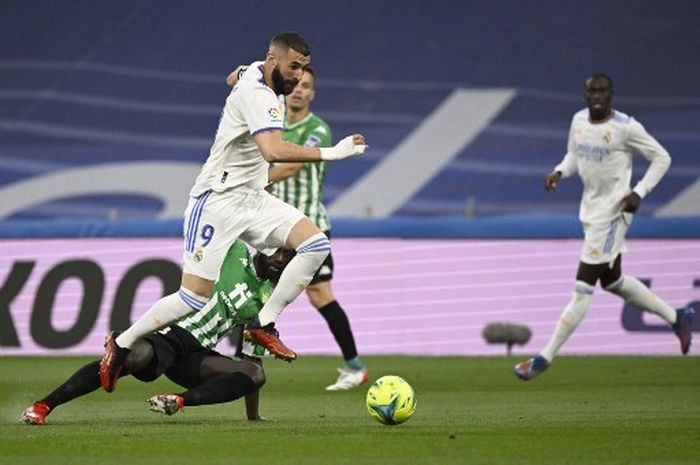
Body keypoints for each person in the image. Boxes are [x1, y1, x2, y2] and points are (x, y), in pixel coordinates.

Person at [99, 32, 367, 393]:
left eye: (304, 69)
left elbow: (234, 75)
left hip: (252, 198)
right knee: (192, 298)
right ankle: (123, 341)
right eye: (294, 67)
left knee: (315, 245)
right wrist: (334, 153)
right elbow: (272, 150)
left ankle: (263, 324)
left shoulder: (257, 72)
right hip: (217, 201)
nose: (299, 77)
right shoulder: (260, 96)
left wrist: (240, 73)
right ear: (273, 59)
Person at [514, 73, 694, 381]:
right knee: (612, 281)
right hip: (590, 213)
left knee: (582, 289)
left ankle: (544, 358)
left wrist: (639, 192)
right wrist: (559, 171)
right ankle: (677, 317)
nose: (597, 95)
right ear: (585, 95)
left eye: (602, 91)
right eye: (591, 91)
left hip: (613, 214)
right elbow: (574, 155)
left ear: (611, 95)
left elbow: (661, 157)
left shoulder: (625, 127)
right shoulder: (578, 121)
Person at [21, 241, 293, 425]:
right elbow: (223, 217)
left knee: (255, 374)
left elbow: (253, 356)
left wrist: (253, 417)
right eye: (277, 251)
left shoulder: (270, 298)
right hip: (170, 332)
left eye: (288, 256)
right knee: (132, 360)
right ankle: (44, 406)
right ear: (263, 244)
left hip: (196, 354)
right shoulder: (234, 250)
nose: (280, 260)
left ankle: (178, 401)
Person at [228, 66, 368, 390]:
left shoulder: (317, 128)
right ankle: (241, 367)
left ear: (313, 94)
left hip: (309, 225)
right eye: (297, 84)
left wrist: (250, 182)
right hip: (274, 226)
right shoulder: (271, 121)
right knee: (256, 294)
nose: (300, 90)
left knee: (320, 295)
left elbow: (291, 166)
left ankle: (354, 366)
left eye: (307, 86)